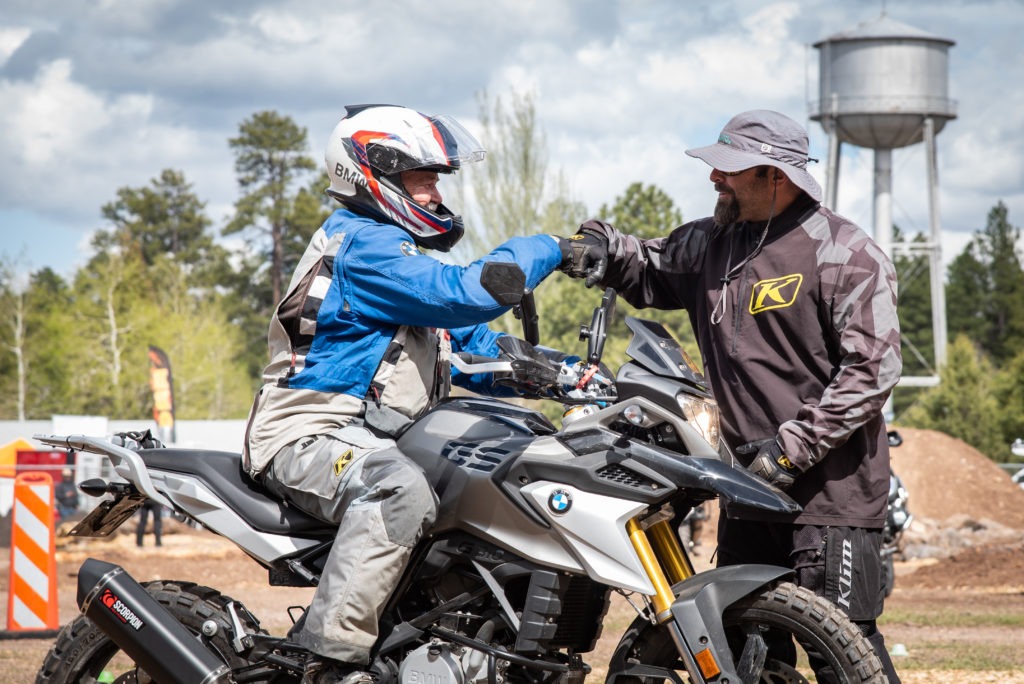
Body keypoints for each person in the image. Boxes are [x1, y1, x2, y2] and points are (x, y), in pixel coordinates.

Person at [560, 109, 903, 682]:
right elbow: (646, 263)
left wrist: (791, 449)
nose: (715, 179)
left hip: (830, 496)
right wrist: (599, 243)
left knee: (842, 649)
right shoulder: (712, 243)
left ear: (776, 175)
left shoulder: (842, 252)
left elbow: (872, 369)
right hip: (747, 487)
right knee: (749, 649)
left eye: (731, 170)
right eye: (716, 167)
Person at [243, 104, 570, 684]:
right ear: (376, 176)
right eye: (422, 180)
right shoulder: (363, 244)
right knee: (399, 492)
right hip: (308, 430)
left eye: (437, 180)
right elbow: (468, 294)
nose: (435, 193)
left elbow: (473, 344)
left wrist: (564, 374)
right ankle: (329, 662)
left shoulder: (403, 262)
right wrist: (549, 246)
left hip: (377, 435)